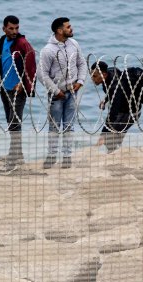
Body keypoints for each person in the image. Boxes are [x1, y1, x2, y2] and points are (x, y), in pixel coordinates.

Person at [37, 17, 86, 169]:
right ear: (59, 30)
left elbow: (82, 63)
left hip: (73, 91)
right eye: (68, 27)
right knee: (54, 127)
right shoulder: (48, 50)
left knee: (69, 126)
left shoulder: (74, 44)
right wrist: (56, 91)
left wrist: (80, 81)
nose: (71, 29)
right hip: (56, 94)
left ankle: (67, 157)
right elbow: (42, 74)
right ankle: (51, 156)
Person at [0, 15, 37, 173]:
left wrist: (24, 84)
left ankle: (12, 160)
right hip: (5, 87)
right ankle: (19, 155)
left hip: (19, 90)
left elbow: (31, 66)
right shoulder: (1, 41)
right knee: (11, 123)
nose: (14, 31)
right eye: (11, 28)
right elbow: (1, 62)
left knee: (14, 123)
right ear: (4, 28)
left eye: (17, 28)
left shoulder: (22, 43)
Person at [91, 61, 143, 152]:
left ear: (104, 74)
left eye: (94, 76)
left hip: (130, 114)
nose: (92, 78)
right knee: (113, 138)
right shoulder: (111, 72)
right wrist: (106, 99)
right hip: (125, 110)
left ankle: (115, 157)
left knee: (109, 139)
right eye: (91, 75)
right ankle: (116, 154)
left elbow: (113, 112)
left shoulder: (116, 87)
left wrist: (103, 134)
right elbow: (112, 93)